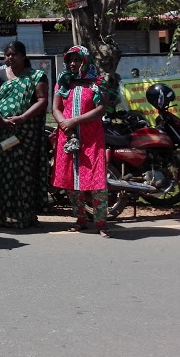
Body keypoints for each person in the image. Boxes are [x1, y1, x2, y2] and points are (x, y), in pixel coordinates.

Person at [0, 41, 49, 229]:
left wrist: (22, 118)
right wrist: (0, 119)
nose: (10, 58)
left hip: (26, 133)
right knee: (6, 171)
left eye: (13, 54)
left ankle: (27, 216)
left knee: (25, 172)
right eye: (7, 55)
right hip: (4, 132)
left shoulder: (37, 76)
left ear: (23, 56)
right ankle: (4, 216)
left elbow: (42, 100)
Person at [51, 46, 110, 237]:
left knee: (96, 182)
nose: (73, 63)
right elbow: (55, 108)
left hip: (91, 139)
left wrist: (75, 120)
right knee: (71, 182)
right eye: (70, 60)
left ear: (86, 60)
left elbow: (101, 109)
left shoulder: (97, 83)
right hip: (67, 137)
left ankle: (100, 222)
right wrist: (64, 124)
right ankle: (80, 219)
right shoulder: (63, 82)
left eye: (77, 59)